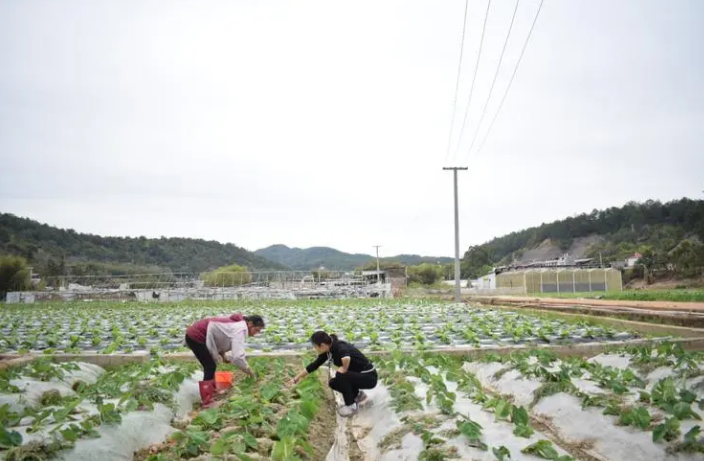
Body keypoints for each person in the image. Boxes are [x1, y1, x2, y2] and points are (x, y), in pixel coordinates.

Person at [288, 331, 378, 417]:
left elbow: (346, 357)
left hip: (369, 376)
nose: (315, 349)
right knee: (333, 383)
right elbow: (314, 365)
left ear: (322, 345)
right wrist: (296, 378)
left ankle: (351, 406)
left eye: (315, 347)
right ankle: (359, 396)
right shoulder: (329, 349)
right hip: (359, 376)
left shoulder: (339, 347)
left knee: (341, 376)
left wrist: (344, 368)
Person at [185, 314, 265, 407]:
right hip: (196, 336)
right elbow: (238, 357)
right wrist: (249, 371)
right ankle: (207, 402)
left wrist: (223, 356)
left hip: (196, 334)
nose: (255, 334)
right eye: (256, 330)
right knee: (210, 366)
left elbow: (220, 335)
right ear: (250, 324)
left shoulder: (238, 324)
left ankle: (212, 391)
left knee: (211, 364)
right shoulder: (240, 328)